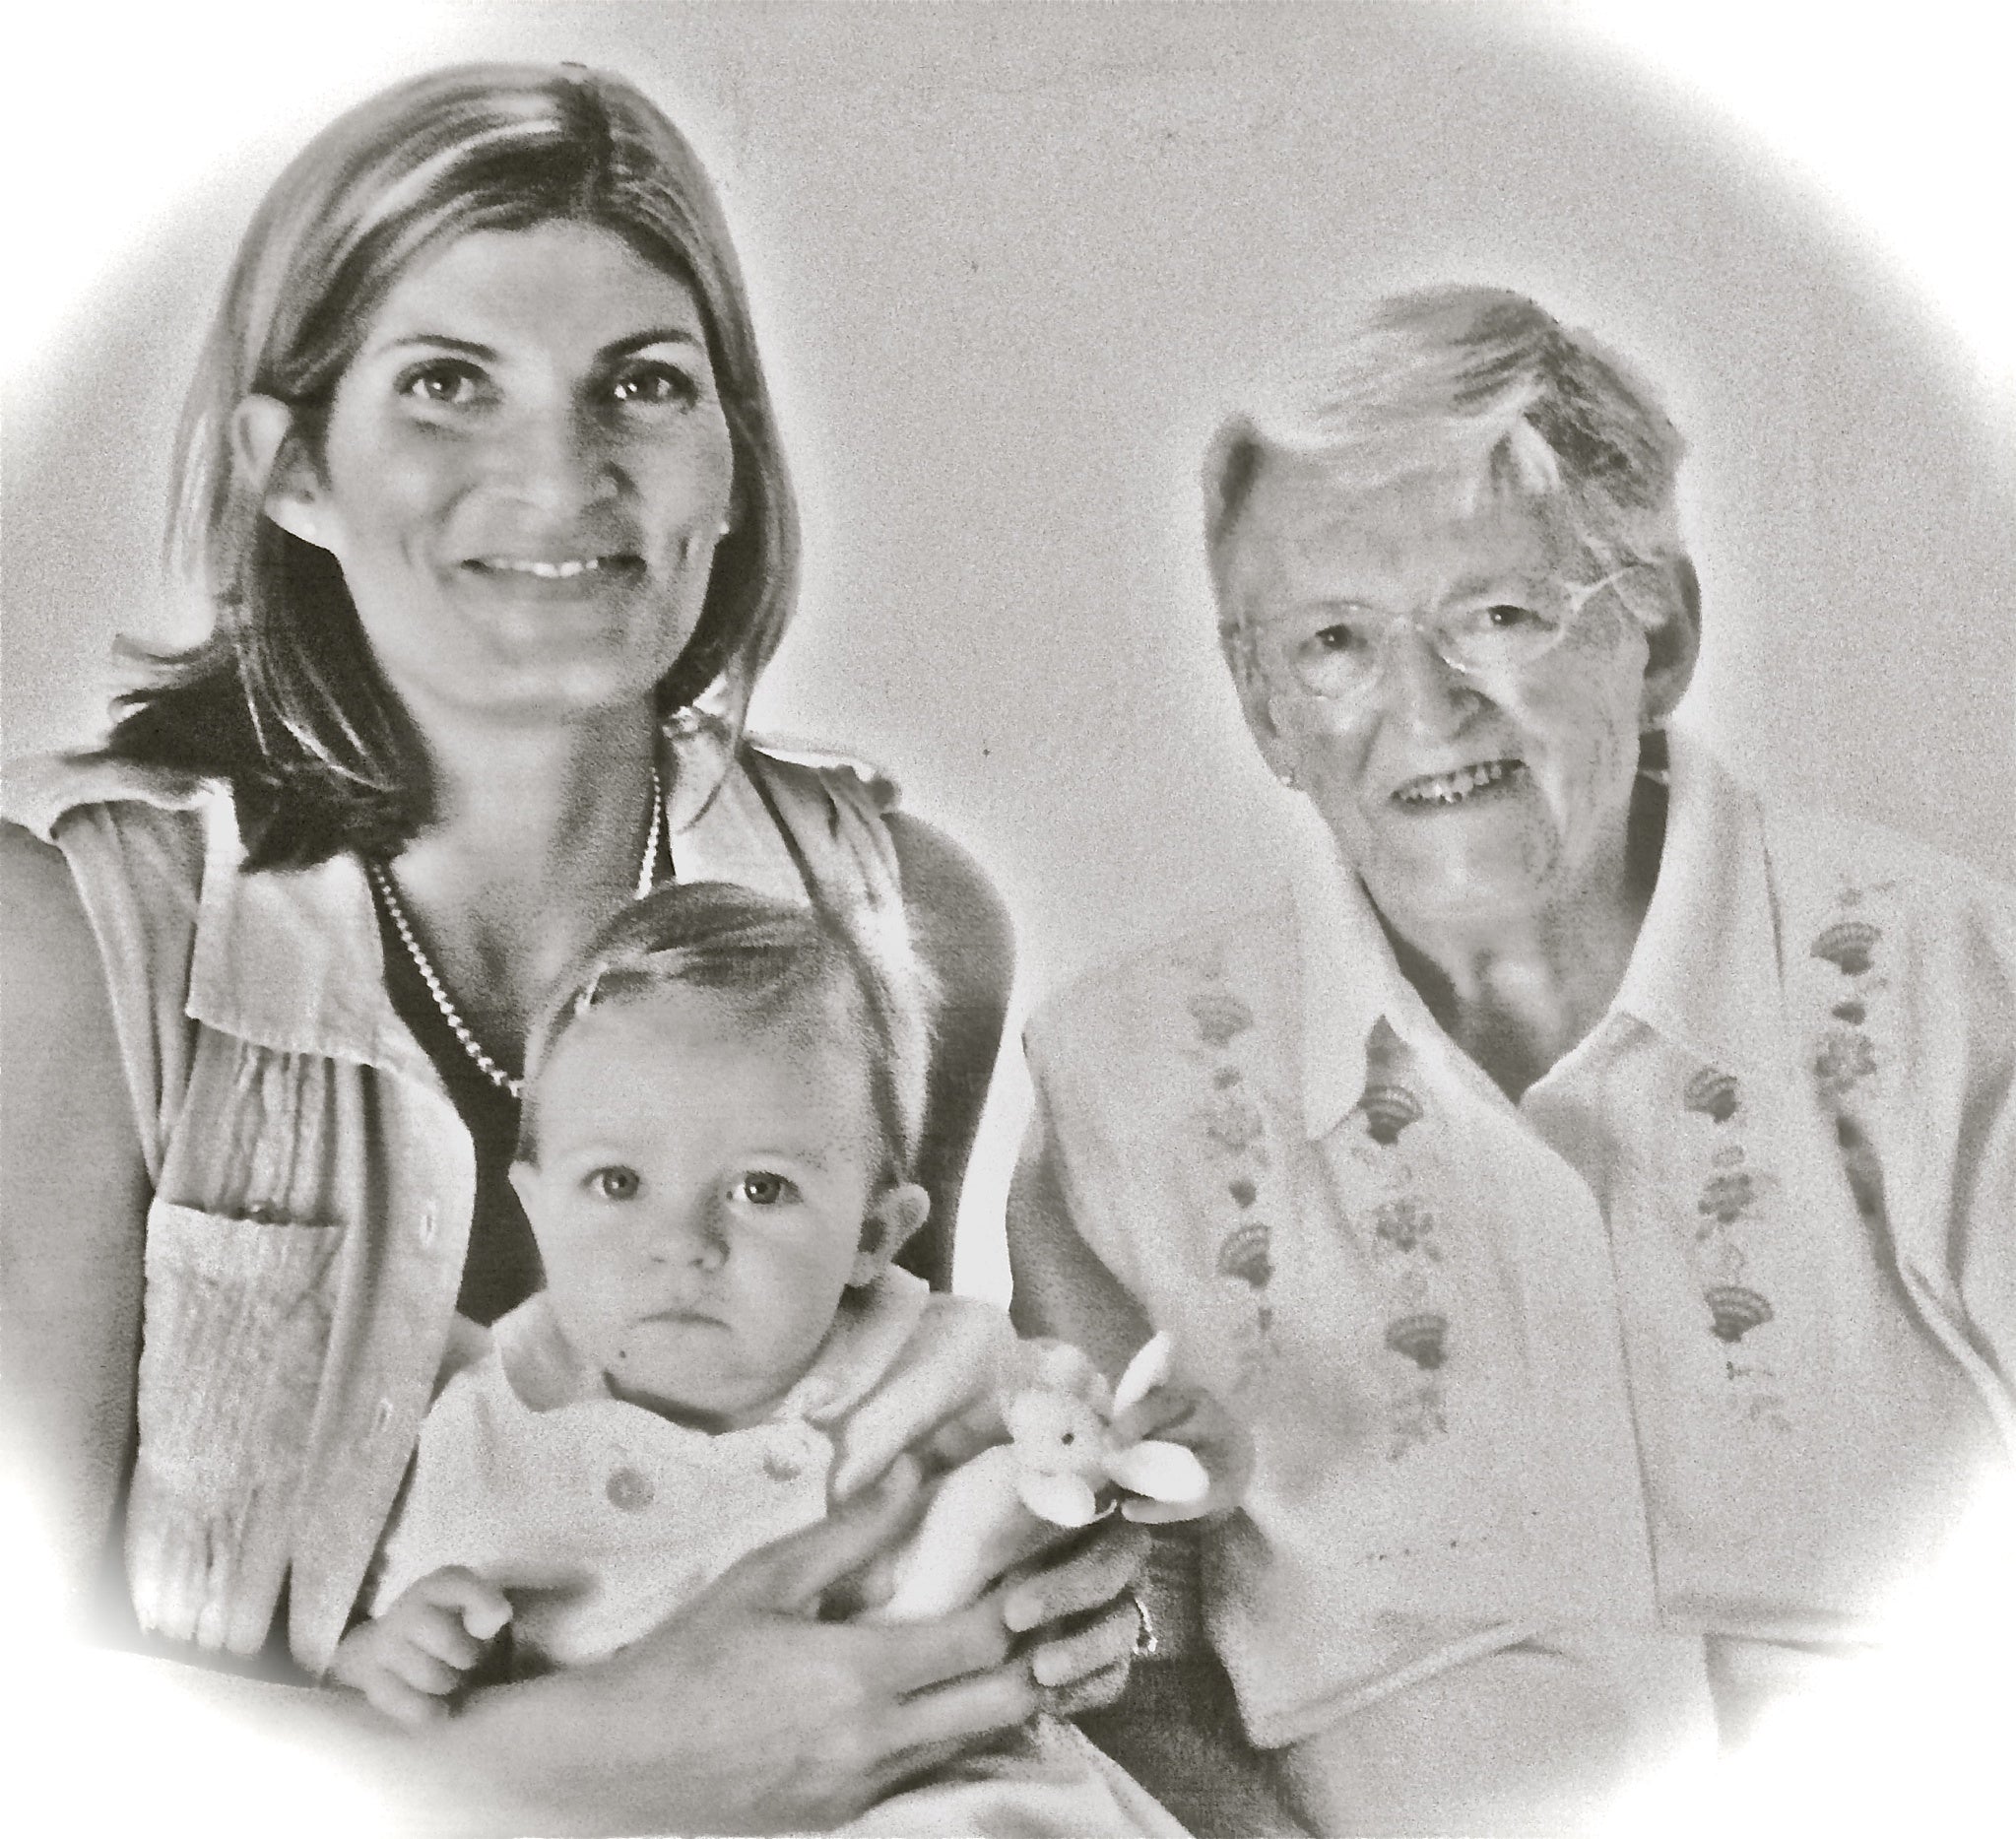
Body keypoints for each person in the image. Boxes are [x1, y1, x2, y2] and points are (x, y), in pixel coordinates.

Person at [0, 63, 1146, 1836]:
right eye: (446, 385)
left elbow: (868, 1435)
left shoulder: (900, 920)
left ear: (731, 469)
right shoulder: (74, 932)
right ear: (291, 468)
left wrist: (1039, 1589)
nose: (560, 472)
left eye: (645, 384)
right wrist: (525, 1777)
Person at [1008, 285, 2016, 1835]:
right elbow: (1123, 1664)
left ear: (1656, 632)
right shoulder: (1124, 1081)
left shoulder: (1951, 982)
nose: (1421, 708)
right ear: (1260, 703)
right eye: (1333, 641)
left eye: (1497, 614)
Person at [332, 879, 1244, 1836]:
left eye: (760, 1188)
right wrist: (399, 1657)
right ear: (536, 1205)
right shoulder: (485, 1430)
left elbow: (1104, 1462)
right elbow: (390, 1685)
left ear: (873, 1234)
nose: (681, 1239)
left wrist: (1179, 1456)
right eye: (616, 1182)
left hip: (945, 1789)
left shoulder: (946, 1358)